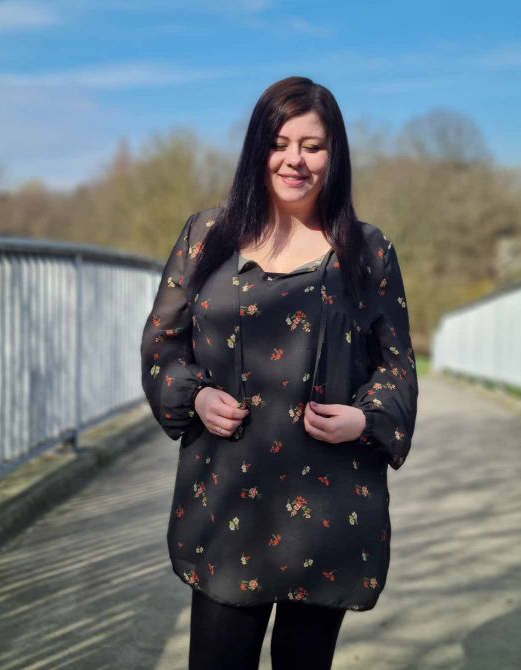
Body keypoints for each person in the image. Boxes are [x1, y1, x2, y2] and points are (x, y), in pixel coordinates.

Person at [140, 75, 419, 669]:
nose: (295, 160)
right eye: (280, 143)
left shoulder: (368, 251)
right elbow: (163, 344)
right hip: (226, 498)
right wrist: (195, 396)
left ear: (334, 155)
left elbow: (397, 366)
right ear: (257, 150)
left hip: (329, 502)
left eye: (313, 146)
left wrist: (364, 419)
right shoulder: (205, 238)